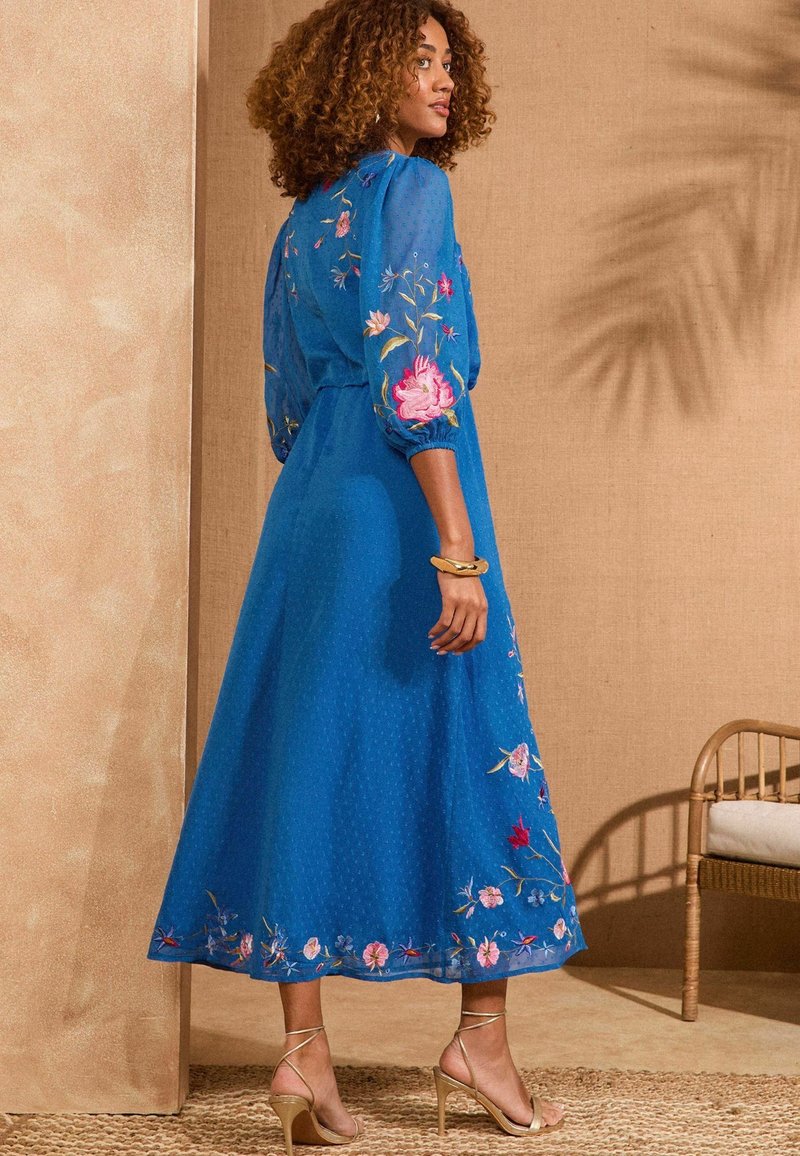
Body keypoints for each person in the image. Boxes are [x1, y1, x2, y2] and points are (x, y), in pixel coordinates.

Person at [146, 0, 588, 1147]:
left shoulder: (302, 222)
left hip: (312, 511)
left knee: (310, 751)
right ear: (360, 76)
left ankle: (303, 1053)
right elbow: (414, 366)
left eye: (449, 61)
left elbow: (288, 401)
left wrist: (337, 483)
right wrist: (454, 547)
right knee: (466, 734)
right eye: (418, 59)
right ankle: (479, 1036)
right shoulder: (412, 191)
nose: (444, 79)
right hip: (403, 498)